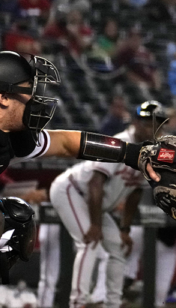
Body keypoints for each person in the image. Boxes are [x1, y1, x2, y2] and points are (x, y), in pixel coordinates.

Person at [0, 51, 162, 297]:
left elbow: (66, 142)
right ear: (2, 96)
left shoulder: (12, 136)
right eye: (26, 89)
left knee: (16, 221)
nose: (34, 97)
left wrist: (132, 154)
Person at [47, 101, 167, 307]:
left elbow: (136, 191)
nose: (153, 129)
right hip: (71, 190)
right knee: (89, 242)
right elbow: (96, 183)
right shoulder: (117, 144)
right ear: (136, 123)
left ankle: (112, 303)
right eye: (148, 123)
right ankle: (79, 303)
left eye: (158, 124)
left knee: (118, 248)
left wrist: (125, 229)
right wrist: (95, 225)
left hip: (95, 203)